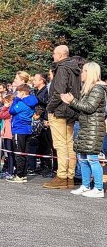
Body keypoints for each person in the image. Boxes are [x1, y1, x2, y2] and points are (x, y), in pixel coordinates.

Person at [61, 62, 106, 198]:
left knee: (92, 158)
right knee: (82, 158)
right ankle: (85, 185)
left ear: (90, 72)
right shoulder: (89, 89)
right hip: (86, 127)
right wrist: (70, 102)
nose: (81, 74)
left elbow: (89, 107)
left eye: (83, 71)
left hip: (94, 128)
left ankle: (98, 188)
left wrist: (72, 101)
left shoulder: (97, 89)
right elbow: (84, 108)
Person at [43, 45, 81, 189]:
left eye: (54, 53)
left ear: (60, 55)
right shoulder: (75, 68)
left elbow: (58, 91)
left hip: (59, 110)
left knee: (60, 144)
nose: (53, 56)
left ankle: (61, 176)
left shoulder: (62, 68)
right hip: (72, 110)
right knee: (69, 144)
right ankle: (70, 177)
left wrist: (50, 108)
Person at [7, 84, 38, 183]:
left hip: (19, 129)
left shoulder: (22, 103)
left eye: (18, 92)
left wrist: (16, 100)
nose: (17, 94)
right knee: (24, 152)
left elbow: (11, 110)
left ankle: (19, 175)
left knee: (19, 153)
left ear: (23, 93)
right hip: (27, 129)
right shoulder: (31, 103)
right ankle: (23, 174)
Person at [32, 73, 53, 176]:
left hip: (45, 120)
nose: (33, 81)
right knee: (40, 144)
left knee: (47, 145)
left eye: (35, 79)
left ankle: (49, 167)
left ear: (42, 81)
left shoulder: (46, 91)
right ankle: (43, 165)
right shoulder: (36, 91)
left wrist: (35, 100)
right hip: (38, 121)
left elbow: (45, 103)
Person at [0, 94, 14, 179]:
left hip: (10, 134)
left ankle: (11, 171)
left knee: (10, 153)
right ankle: (8, 169)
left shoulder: (11, 110)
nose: (6, 104)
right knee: (7, 153)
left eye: (7, 102)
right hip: (6, 133)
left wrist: (5, 107)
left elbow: (2, 115)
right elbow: (0, 116)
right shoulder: (7, 109)